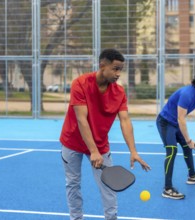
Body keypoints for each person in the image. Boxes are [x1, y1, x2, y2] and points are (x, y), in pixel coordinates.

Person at [60, 48, 151, 220]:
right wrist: (92, 150)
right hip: (72, 142)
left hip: (100, 144)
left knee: (108, 186)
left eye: (120, 70)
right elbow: (82, 119)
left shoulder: (119, 92)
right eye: (115, 69)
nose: (118, 74)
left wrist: (133, 151)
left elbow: (125, 120)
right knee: (73, 183)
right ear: (102, 65)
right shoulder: (80, 83)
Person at [156, 68, 195, 200]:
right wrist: (189, 140)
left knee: (187, 148)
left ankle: (192, 176)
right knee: (172, 151)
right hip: (165, 123)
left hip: (176, 123)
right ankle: (167, 188)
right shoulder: (187, 94)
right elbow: (181, 118)